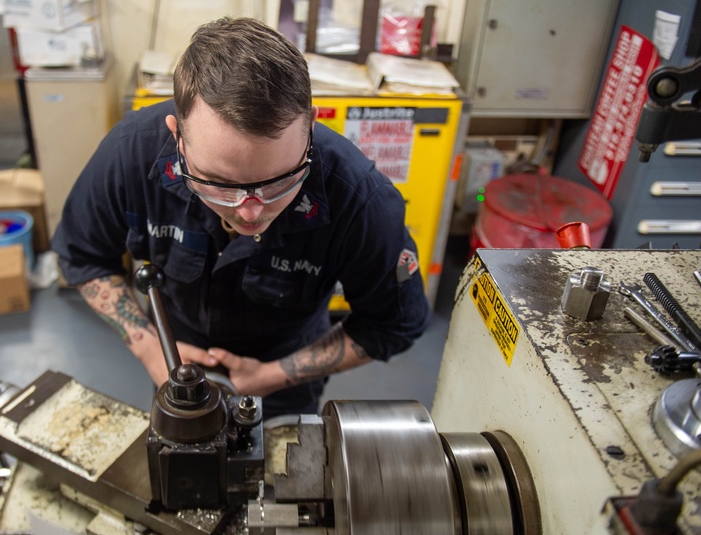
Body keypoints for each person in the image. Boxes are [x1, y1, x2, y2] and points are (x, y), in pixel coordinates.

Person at [52, 17, 430, 418]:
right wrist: (150, 348)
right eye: (218, 182)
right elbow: (83, 256)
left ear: (311, 126)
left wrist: (275, 374)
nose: (250, 212)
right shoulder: (130, 153)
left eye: (280, 180)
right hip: (172, 356)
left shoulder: (359, 199)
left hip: (287, 368)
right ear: (176, 136)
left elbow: (395, 322)